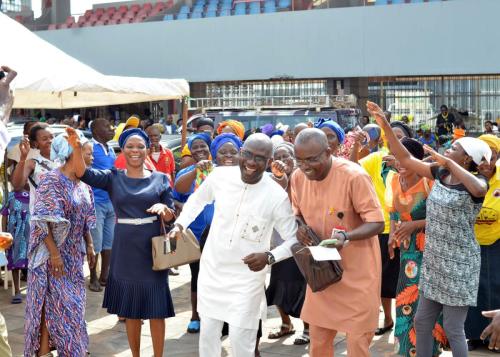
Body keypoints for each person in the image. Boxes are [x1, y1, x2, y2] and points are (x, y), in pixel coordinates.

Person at [367, 100, 491, 357]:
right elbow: (404, 157)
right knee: (422, 322)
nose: (447, 149)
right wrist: (385, 125)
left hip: (460, 264)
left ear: (466, 159)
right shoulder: (440, 174)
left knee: (453, 328)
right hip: (434, 262)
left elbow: (479, 190)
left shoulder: (476, 183)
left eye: (453, 148)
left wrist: (446, 162)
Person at [168, 133, 298, 357]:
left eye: (259, 158)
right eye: (247, 154)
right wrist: (180, 225)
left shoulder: (276, 195)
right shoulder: (220, 176)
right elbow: (197, 200)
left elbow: (293, 239)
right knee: (208, 337)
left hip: (246, 279)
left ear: (268, 162)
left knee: (241, 341)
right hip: (212, 272)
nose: (250, 162)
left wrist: (269, 256)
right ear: (240, 153)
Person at [70, 127, 176, 357]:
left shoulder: (161, 179)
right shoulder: (113, 177)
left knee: (157, 309)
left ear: (147, 149)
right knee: (132, 308)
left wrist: (164, 209)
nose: (135, 150)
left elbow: (171, 218)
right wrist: (77, 147)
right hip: (125, 246)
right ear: (123, 150)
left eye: (140, 146)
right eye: (130, 146)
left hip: (152, 248)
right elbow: (82, 172)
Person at [291, 128, 384, 357]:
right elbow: (297, 213)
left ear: (329, 151)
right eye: (300, 160)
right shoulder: (297, 177)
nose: (305, 167)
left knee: (357, 345)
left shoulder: (353, 176)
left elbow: (377, 222)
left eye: (312, 159)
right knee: (319, 344)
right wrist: (300, 227)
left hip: (357, 274)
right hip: (322, 274)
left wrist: (346, 237)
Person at [24, 132, 97, 357]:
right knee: (53, 310)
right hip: (51, 258)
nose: (91, 158)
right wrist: (55, 254)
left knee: (69, 309)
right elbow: (41, 220)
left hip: (74, 257)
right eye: (87, 153)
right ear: (70, 154)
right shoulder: (51, 180)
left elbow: (85, 220)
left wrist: (90, 244)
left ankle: (69, 351)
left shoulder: (84, 184)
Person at [385, 138, 447, 356]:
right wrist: (392, 235)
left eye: (402, 156)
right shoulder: (394, 180)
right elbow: (393, 211)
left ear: (415, 160)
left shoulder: (430, 182)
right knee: (405, 298)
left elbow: (445, 218)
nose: (398, 162)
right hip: (407, 251)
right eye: (394, 155)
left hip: (429, 250)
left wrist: (415, 225)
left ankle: (429, 349)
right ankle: (405, 349)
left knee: (425, 302)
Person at [265, 141, 309, 345]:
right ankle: (286, 323)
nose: (282, 161)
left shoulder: (305, 178)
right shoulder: (269, 180)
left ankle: (308, 327)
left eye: (286, 156)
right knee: (277, 285)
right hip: (278, 243)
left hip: (302, 242)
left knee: (303, 286)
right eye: (278, 157)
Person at [173, 132, 214, 334]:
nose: (199, 150)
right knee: (197, 276)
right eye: (195, 147)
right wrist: (195, 171)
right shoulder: (187, 172)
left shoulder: (221, 170)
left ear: (210, 147)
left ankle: (218, 317)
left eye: (203, 146)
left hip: (220, 236)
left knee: (219, 278)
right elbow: (176, 193)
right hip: (196, 235)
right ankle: (195, 315)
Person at [465, 134, 500, 351]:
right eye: (482, 156)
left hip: (497, 242)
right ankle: (475, 336)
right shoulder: (465, 177)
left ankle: (496, 337)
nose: (487, 162)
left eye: (493, 155)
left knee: (495, 287)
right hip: (470, 242)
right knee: (473, 290)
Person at [88, 118, 116, 292]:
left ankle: (105, 275)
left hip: (111, 201)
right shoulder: (90, 148)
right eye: (107, 127)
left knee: (109, 242)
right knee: (95, 243)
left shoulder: (111, 148)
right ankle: (93, 278)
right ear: (97, 131)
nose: (112, 128)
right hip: (95, 202)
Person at [11, 123, 57, 213]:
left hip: (65, 217)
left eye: (52, 137)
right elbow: (17, 186)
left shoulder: (65, 161)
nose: (50, 141)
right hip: (41, 218)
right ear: (36, 144)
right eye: (45, 139)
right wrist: (23, 157)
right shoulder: (32, 163)